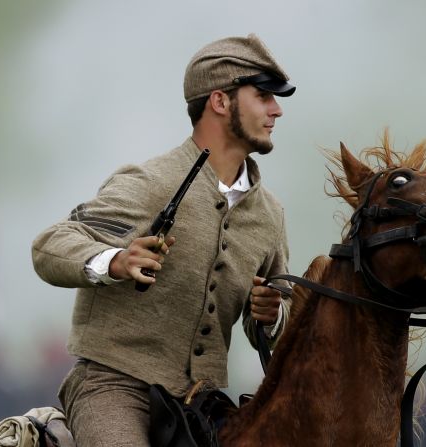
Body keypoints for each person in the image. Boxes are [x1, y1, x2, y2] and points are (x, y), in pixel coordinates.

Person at [31, 33, 295, 446]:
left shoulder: (270, 215)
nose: (276, 109)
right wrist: (115, 261)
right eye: (263, 96)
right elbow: (50, 244)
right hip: (113, 388)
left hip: (201, 402)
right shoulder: (149, 183)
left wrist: (272, 314)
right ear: (220, 102)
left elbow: (284, 317)